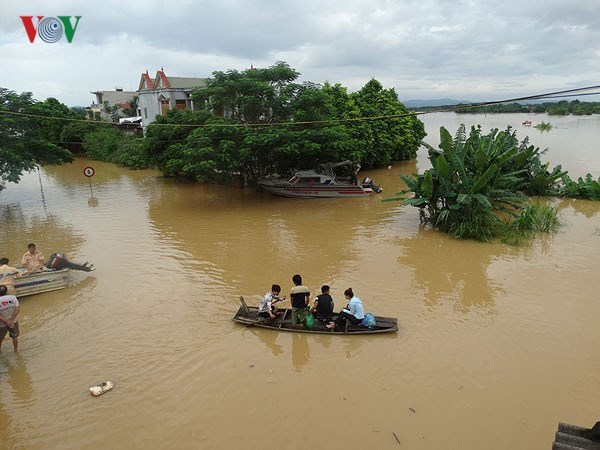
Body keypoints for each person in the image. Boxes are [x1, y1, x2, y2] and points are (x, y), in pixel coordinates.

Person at [0, 285, 20, 352]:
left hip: (1, 324)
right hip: (13, 322)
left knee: (0, 338)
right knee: (14, 336)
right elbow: (17, 309)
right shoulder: (13, 298)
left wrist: (6, 322)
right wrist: (11, 320)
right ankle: (16, 350)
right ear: (7, 291)